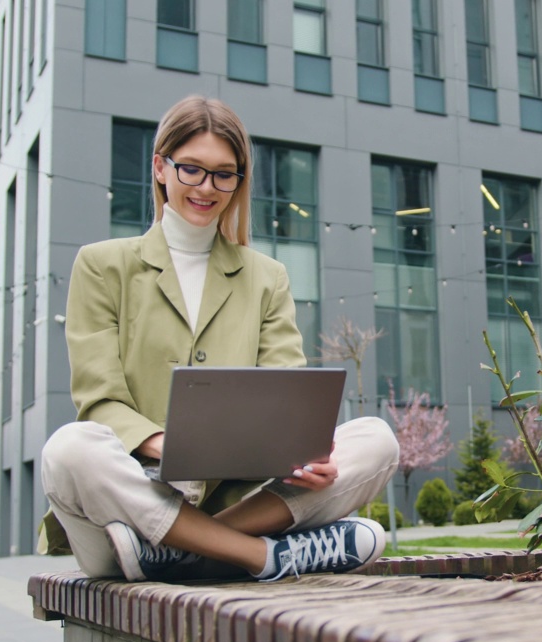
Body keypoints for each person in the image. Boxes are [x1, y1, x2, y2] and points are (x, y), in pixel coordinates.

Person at [40, 95, 399, 583]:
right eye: (191, 169)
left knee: (375, 440)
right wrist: (173, 448)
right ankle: (262, 557)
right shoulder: (103, 265)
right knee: (69, 449)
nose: (206, 187)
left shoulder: (266, 277)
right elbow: (100, 401)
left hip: (230, 503)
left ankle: (186, 548)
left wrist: (302, 457)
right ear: (160, 168)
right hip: (130, 511)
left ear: (238, 181)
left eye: (223, 174)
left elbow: (285, 398)